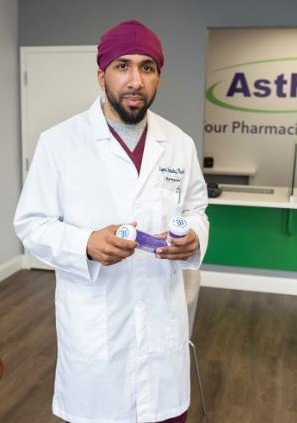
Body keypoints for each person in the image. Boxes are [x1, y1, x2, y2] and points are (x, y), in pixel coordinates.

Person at [14, 20, 209, 423]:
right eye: (123, 66)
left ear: (159, 76)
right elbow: (31, 224)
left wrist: (193, 237)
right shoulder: (60, 143)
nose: (135, 80)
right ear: (102, 75)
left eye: (147, 67)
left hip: (161, 333)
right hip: (96, 338)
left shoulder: (179, 143)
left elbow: (196, 210)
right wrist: (84, 243)